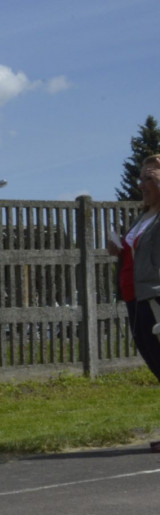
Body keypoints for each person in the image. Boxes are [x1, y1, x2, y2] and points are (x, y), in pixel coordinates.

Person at [111, 156, 160, 386]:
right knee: (153, 360)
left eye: (149, 178)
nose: (141, 185)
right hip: (134, 297)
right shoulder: (141, 218)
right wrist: (118, 248)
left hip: (154, 297)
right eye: (140, 178)